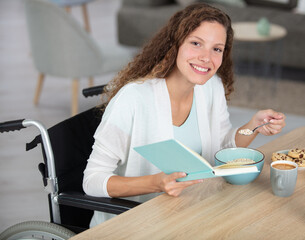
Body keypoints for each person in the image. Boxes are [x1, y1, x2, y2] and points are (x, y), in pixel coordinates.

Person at [83, 3, 286, 227]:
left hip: (193, 212)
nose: (206, 58)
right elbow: (92, 180)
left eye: (216, 49)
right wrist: (156, 183)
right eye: (196, 43)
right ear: (175, 44)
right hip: (135, 223)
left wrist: (253, 126)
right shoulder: (133, 99)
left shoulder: (211, 87)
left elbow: (224, 149)